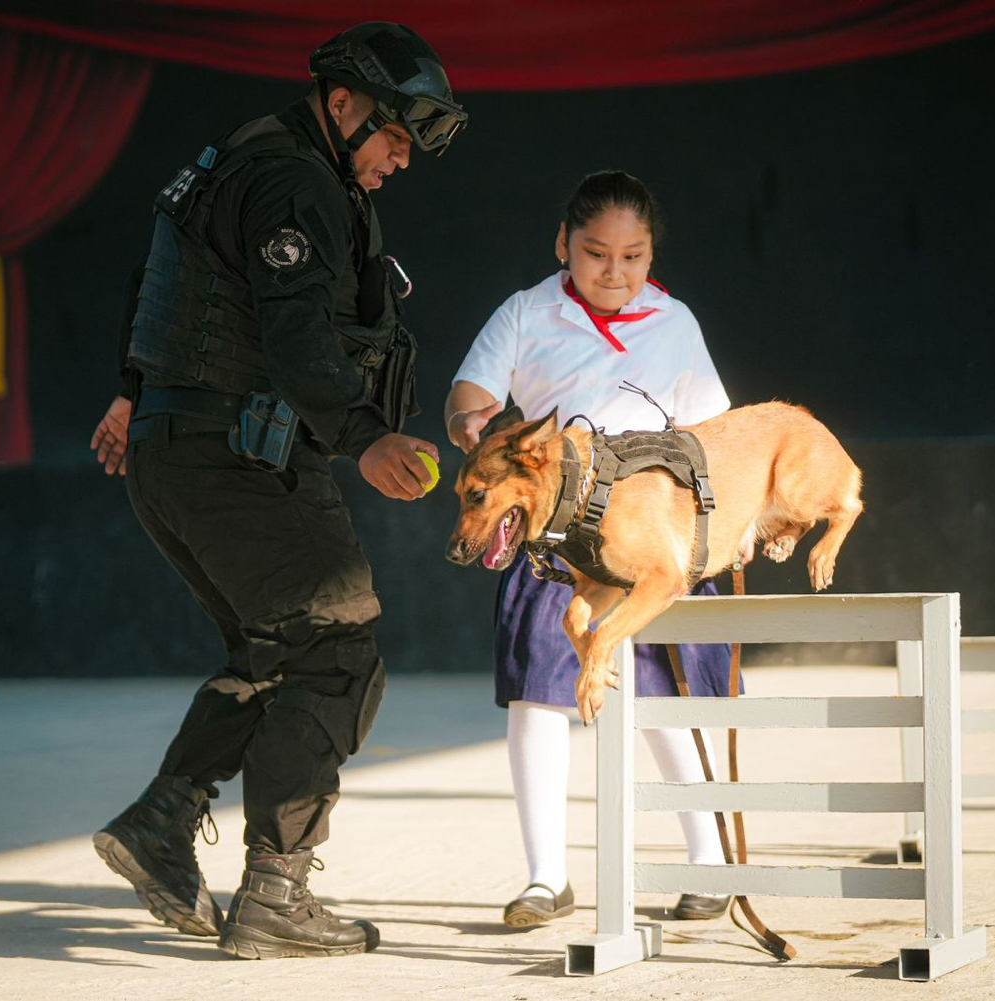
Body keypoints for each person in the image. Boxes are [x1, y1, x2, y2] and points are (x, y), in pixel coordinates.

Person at [86, 22, 467, 960]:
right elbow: (297, 339)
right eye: (393, 136)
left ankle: (161, 823)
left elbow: (162, 287)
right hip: (239, 457)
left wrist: (134, 395)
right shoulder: (298, 181)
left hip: (175, 452)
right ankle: (275, 891)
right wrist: (366, 437)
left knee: (273, 651)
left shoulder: (244, 156)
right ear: (341, 103)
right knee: (336, 652)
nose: (400, 159)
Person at [445, 171, 735, 928]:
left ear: (651, 254)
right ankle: (546, 878)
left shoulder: (675, 322)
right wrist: (471, 420)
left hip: (653, 542)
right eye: (596, 253)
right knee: (537, 697)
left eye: (633, 256)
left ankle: (709, 863)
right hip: (556, 540)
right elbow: (469, 395)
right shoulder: (525, 312)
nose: (614, 271)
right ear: (562, 246)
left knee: (666, 699)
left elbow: (714, 432)